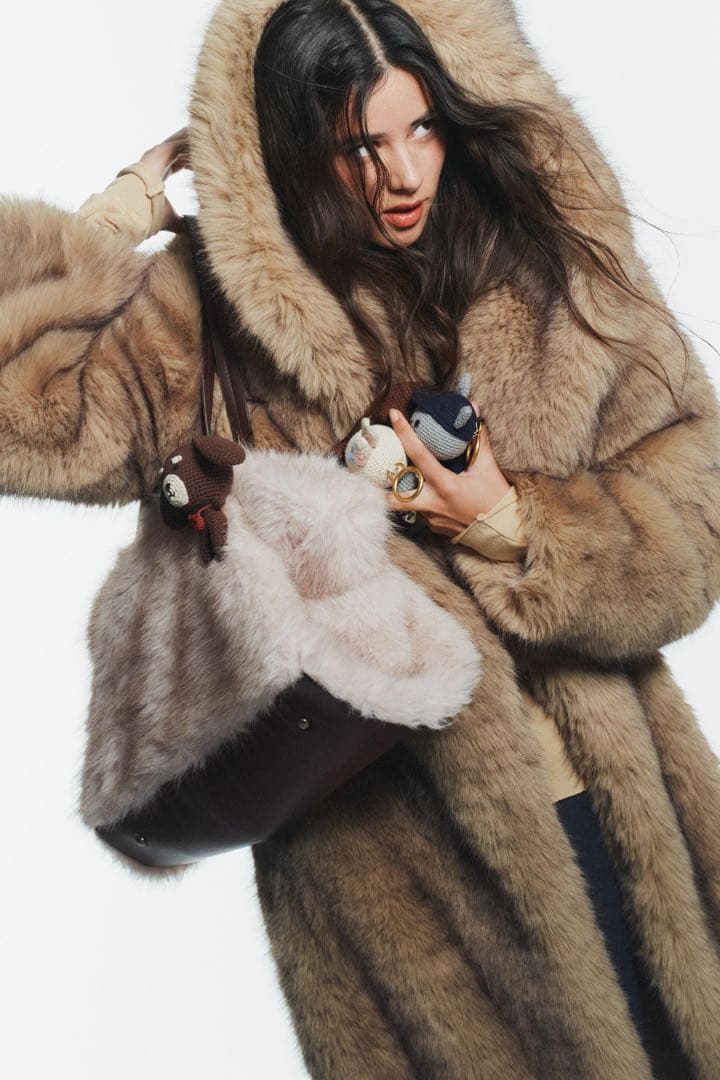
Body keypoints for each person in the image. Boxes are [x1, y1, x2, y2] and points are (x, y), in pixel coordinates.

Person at [2, 0, 719, 1076]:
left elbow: (696, 507)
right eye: (360, 146)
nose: (404, 175)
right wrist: (124, 208)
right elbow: (21, 408)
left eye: (421, 128)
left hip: (628, 818)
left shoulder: (546, 273)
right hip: (401, 875)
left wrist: (513, 523)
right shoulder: (210, 322)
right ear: (297, 149)